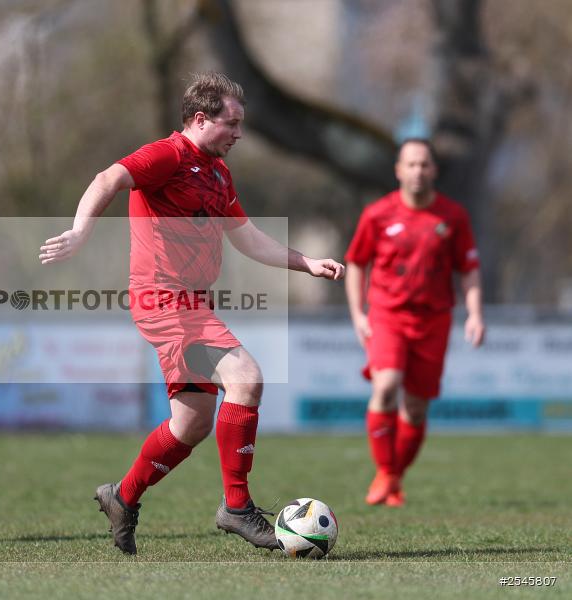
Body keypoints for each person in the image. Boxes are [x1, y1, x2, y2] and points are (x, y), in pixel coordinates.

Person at [40, 72, 344, 555]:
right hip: (165, 302)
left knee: (192, 423)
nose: (239, 133)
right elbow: (107, 179)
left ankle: (123, 496)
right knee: (246, 379)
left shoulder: (219, 173)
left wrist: (304, 262)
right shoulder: (169, 155)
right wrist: (79, 232)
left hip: (191, 305)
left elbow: (247, 238)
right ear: (200, 119)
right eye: (232, 123)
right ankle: (237, 507)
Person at [344, 138, 485, 508]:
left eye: (424, 164)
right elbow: (356, 263)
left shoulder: (452, 216)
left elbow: (468, 268)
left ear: (434, 170)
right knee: (386, 385)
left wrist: (475, 313)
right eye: (411, 164)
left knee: (417, 407)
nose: (418, 171)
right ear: (398, 170)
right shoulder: (377, 214)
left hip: (434, 319)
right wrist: (358, 313)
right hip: (388, 314)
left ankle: (393, 477)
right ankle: (386, 472)